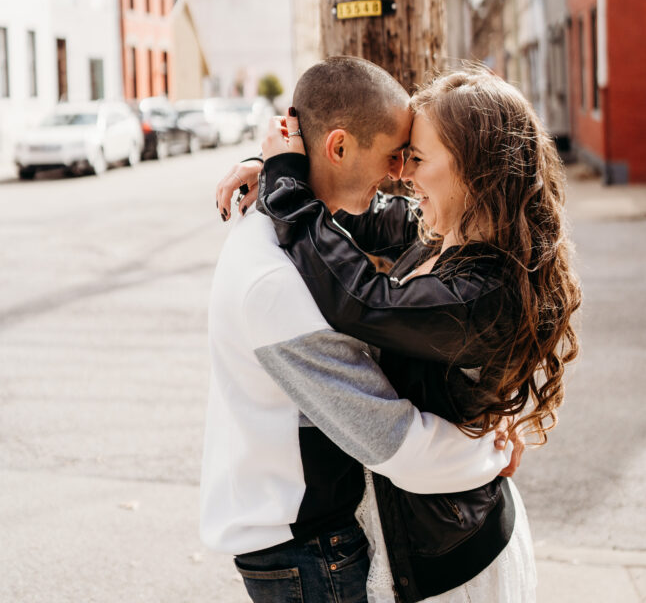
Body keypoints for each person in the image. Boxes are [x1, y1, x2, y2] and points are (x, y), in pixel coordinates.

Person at [219, 60, 581, 603]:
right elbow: (352, 206)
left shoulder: (488, 291)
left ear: (473, 171)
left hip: (460, 561)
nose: (403, 175)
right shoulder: (445, 229)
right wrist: (280, 167)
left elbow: (364, 301)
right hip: (429, 537)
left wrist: (287, 185)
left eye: (417, 158)